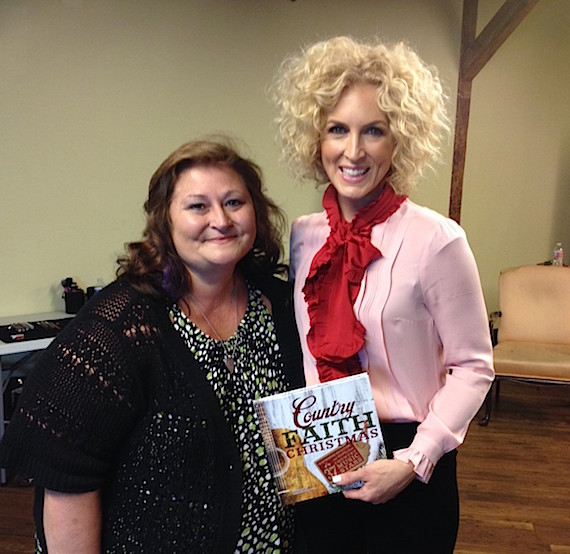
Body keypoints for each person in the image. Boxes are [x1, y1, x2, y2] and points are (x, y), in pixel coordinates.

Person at [0, 137, 305, 553]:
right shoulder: (123, 326)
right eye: (198, 206)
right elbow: (66, 478)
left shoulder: (282, 305)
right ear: (165, 221)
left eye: (234, 202)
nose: (221, 219)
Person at [271, 36, 494, 553]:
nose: (353, 151)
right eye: (337, 130)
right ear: (315, 138)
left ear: (399, 141)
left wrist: (415, 461)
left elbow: (474, 366)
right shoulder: (304, 236)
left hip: (409, 457)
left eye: (373, 130)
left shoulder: (437, 240)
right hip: (319, 447)